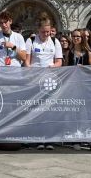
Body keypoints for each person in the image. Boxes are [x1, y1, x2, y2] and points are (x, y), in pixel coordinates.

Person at [25, 17, 63, 150]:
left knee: (49, 110)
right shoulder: (31, 41)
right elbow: (27, 61)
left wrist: (53, 67)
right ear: (38, 30)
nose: (46, 34)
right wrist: (31, 73)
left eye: (48, 32)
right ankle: (37, 138)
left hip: (50, 80)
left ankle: (49, 138)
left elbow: (59, 61)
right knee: (35, 109)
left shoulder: (55, 41)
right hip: (35, 80)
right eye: (43, 32)